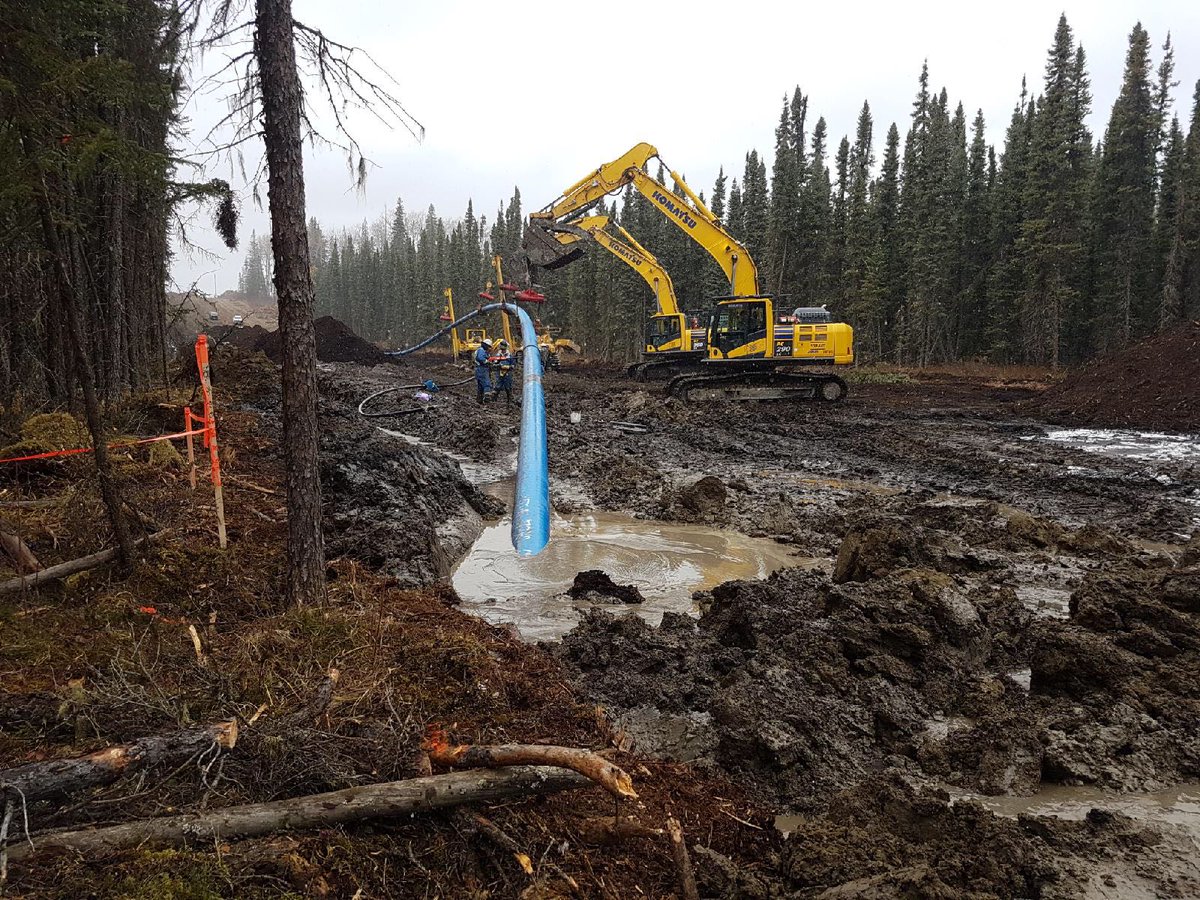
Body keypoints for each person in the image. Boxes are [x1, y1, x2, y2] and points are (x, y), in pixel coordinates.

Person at [491, 339, 515, 407]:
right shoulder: (498, 354)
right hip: (499, 371)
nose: (503, 349)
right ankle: (494, 399)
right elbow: (494, 363)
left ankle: (509, 400)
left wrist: (509, 367)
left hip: (507, 372)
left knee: (508, 386)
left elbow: (513, 364)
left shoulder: (509, 355)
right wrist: (497, 365)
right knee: (497, 385)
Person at [474, 339, 493, 404]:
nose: (490, 348)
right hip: (482, 369)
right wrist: (487, 361)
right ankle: (487, 399)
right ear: (486, 345)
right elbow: (480, 358)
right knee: (487, 384)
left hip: (480, 370)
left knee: (481, 386)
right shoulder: (481, 350)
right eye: (489, 347)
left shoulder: (483, 351)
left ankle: (479, 400)